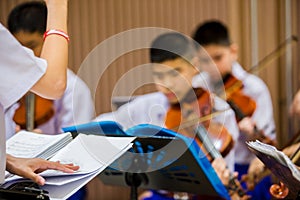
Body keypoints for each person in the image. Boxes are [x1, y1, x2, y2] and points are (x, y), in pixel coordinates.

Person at [96, 32, 243, 199]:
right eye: (159, 75)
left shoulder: (220, 111)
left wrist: (220, 179)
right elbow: (101, 124)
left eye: (175, 73)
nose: (167, 85)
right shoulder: (146, 105)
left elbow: (227, 172)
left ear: (194, 66)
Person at [192, 20, 277, 198]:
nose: (212, 67)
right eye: (205, 61)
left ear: (233, 52)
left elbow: (268, 144)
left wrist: (252, 133)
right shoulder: (198, 87)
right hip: (210, 167)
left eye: (218, 58)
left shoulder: (254, 88)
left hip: (245, 167)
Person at [0, 0, 79, 186]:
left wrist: (7, 159)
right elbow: (54, 83)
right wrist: (58, 5)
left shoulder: (76, 86)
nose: (26, 54)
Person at [6, 1, 94, 138]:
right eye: (20, 49)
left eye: (32, 46)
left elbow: (77, 140)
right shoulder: (7, 79)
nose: (27, 55)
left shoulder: (74, 89)